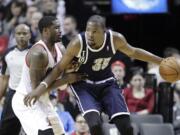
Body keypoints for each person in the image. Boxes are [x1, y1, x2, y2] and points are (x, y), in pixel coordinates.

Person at [24, 15, 163, 135]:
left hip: (107, 83)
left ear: (104, 31)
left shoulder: (115, 39)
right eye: (88, 30)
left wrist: (161, 61)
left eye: (94, 31)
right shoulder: (78, 43)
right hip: (84, 85)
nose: (89, 34)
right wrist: (39, 89)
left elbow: (134, 52)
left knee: (126, 127)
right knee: (95, 125)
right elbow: (59, 68)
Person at [12, 16, 86, 135]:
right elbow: (37, 90)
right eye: (56, 28)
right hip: (27, 101)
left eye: (60, 27)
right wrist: (66, 79)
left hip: (43, 100)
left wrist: (81, 60)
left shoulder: (60, 48)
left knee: (59, 133)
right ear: (46, 31)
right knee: (46, 133)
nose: (60, 30)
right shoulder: (38, 53)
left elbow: (71, 70)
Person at [0, 24, 31, 135]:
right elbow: (4, 78)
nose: (21, 36)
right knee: (5, 130)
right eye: (18, 33)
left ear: (30, 35)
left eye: (24, 33)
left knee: (33, 130)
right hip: (12, 95)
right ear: (14, 36)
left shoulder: (37, 52)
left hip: (31, 95)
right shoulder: (7, 54)